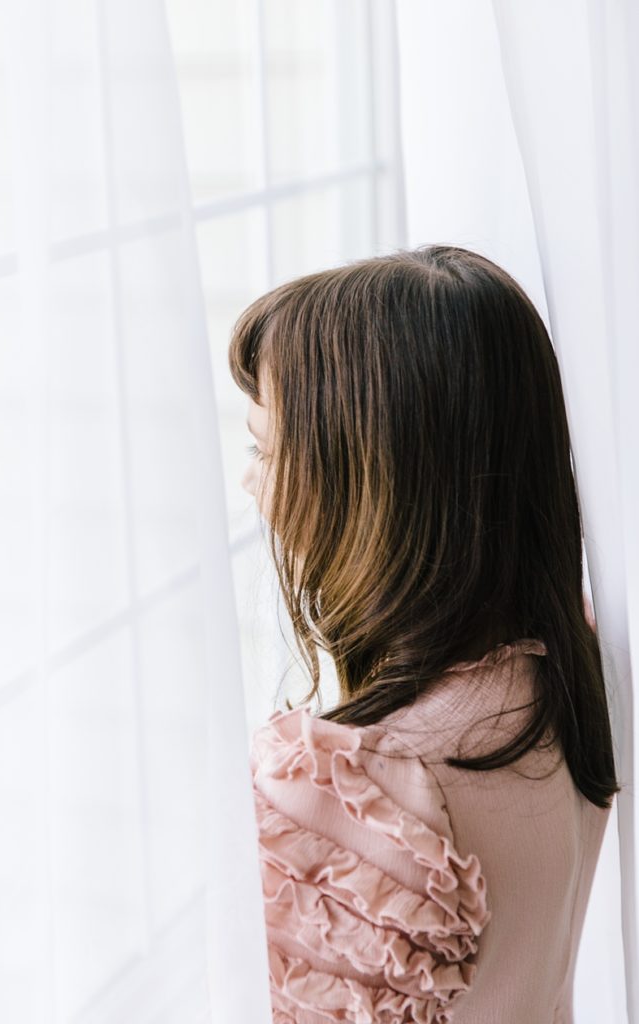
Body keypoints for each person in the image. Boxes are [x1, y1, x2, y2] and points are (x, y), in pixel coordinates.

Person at [228, 244, 620, 1023]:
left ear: (371, 481)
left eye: (266, 451)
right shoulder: (568, 661)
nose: (251, 482)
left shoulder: (352, 796)